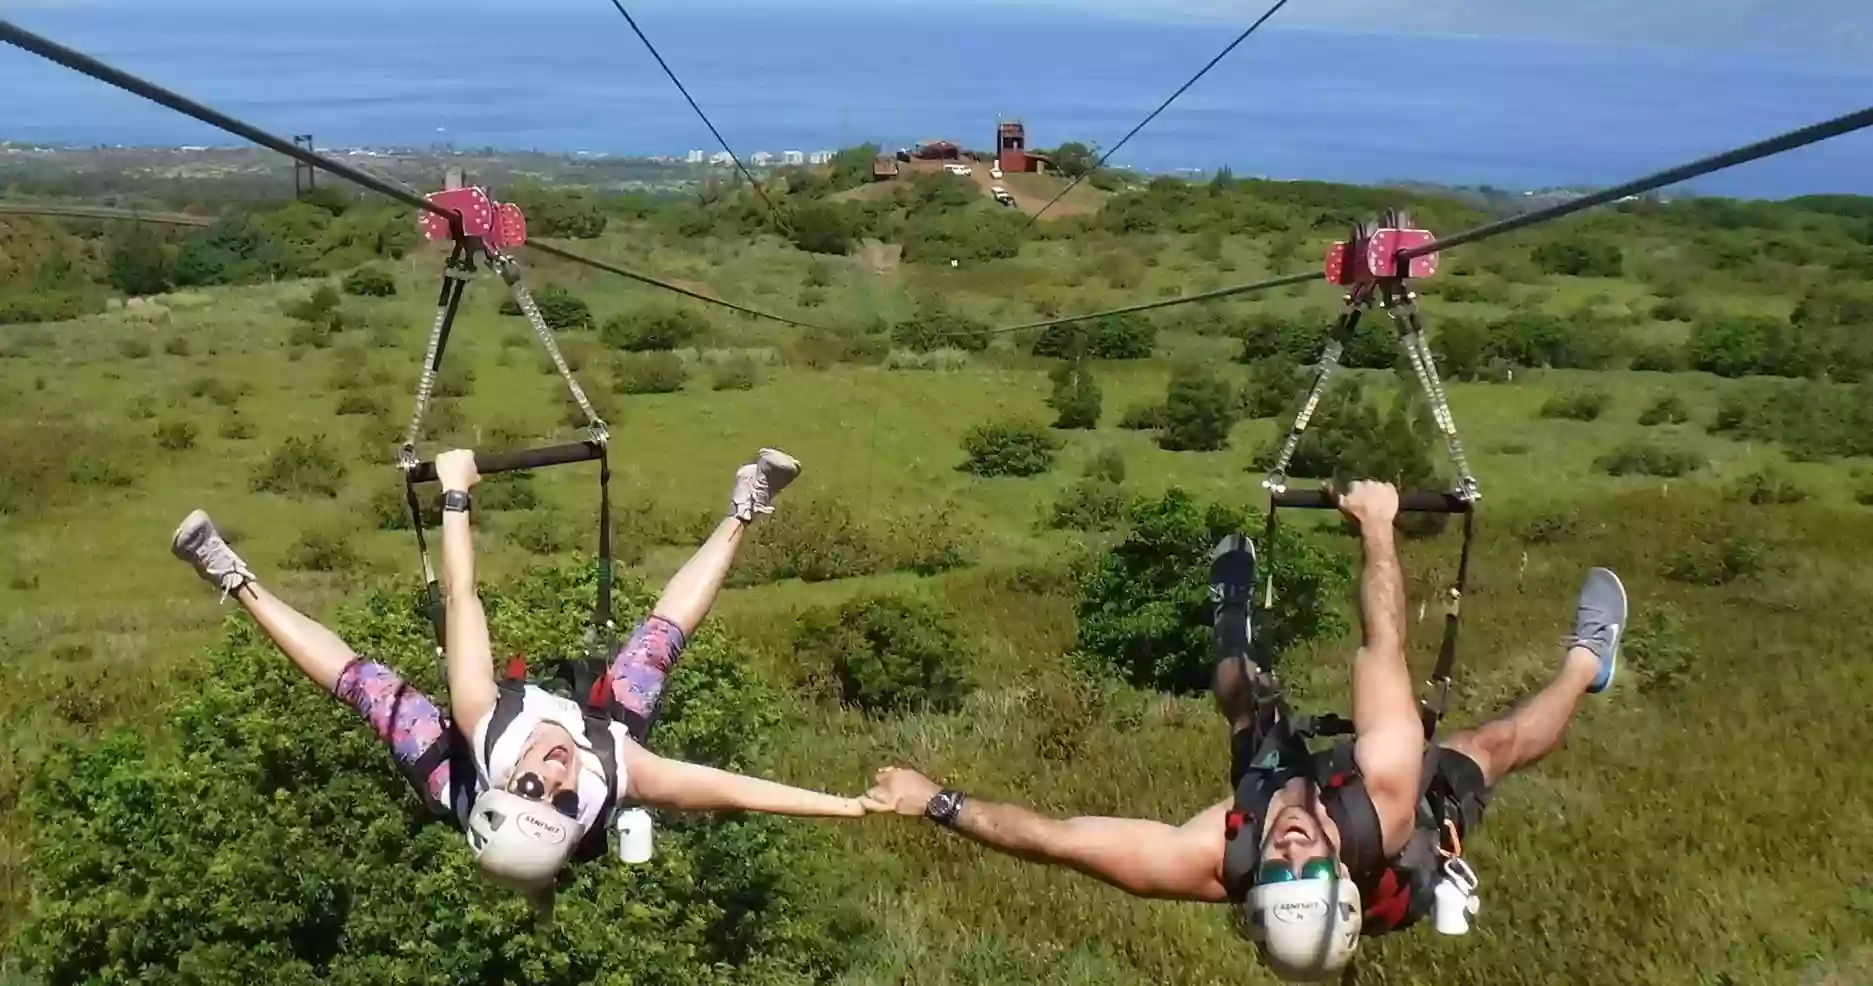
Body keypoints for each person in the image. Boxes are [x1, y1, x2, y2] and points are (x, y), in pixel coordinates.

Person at [863, 481, 1627, 981]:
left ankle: (1229, 604)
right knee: (1490, 748)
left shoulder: (1208, 860)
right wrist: (1378, 527)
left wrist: (934, 801)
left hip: (1305, 796)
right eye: (1309, 867)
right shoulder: (1387, 802)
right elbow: (1382, 646)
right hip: (1403, 826)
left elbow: (1055, 839)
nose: (1289, 848)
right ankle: (1587, 662)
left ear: (1249, 888)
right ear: (1339, 872)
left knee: (1242, 699)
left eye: (1276, 869)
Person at [171, 447, 883, 909]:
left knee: (368, 687)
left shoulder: (482, 726)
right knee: (657, 645)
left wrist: (455, 493)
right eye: (565, 796)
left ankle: (229, 575)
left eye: (534, 785)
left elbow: (462, 599)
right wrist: (851, 808)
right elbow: (740, 793)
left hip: (456, 769)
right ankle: (744, 507)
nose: (556, 769)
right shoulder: (616, 771)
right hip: (599, 732)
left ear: (507, 783)